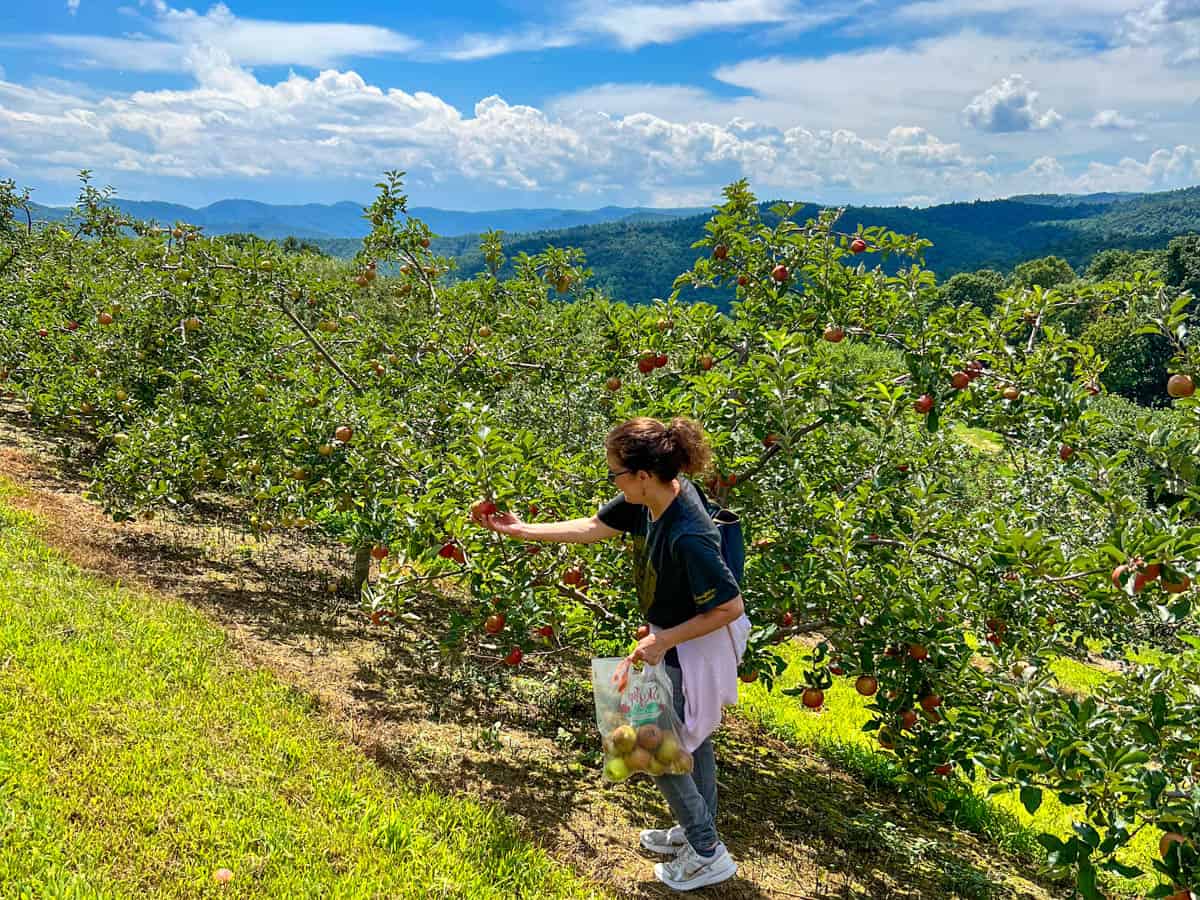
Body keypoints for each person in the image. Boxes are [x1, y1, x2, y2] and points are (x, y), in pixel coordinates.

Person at [471, 415, 747, 892]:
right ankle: (695, 833)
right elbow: (597, 526)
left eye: (616, 473)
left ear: (642, 475)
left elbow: (728, 605)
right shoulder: (650, 497)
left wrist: (664, 639)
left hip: (696, 642)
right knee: (688, 737)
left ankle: (706, 850)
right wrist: (524, 531)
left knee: (648, 744)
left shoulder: (689, 531)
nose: (613, 480)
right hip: (674, 634)